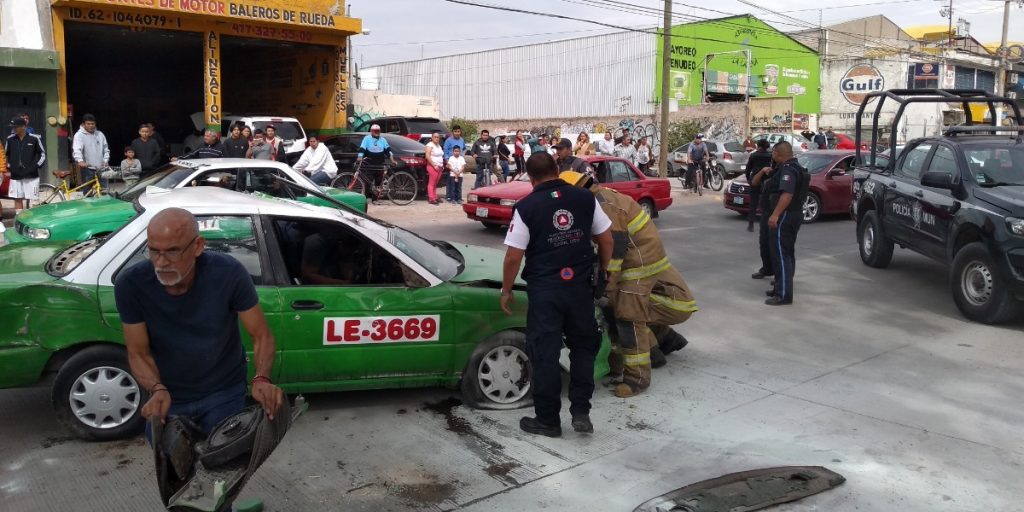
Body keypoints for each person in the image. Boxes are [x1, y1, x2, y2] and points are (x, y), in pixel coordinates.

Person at [115, 207, 284, 454]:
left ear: (197, 246)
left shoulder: (228, 273)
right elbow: (138, 352)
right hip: (169, 396)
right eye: (154, 251)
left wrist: (261, 378)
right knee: (171, 463)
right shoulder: (131, 284)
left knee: (225, 458)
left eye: (172, 251)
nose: (161, 263)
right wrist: (156, 388)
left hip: (223, 391)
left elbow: (261, 336)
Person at [500, 152, 613, 438]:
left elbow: (513, 257)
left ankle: (548, 421)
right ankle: (581, 412)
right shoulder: (585, 198)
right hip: (580, 289)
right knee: (583, 348)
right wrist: (604, 269)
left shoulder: (526, 207)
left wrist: (506, 290)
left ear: (530, 177)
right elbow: (606, 238)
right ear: (557, 169)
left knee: (545, 354)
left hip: (545, 292)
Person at [560, 170, 696, 397]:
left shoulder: (604, 206)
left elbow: (614, 251)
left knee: (627, 316)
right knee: (617, 306)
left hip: (637, 265)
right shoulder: (596, 200)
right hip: (641, 261)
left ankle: (637, 379)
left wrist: (604, 286)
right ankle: (664, 341)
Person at [754, 141, 808, 306]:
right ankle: (780, 286)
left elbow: (787, 194)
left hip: (786, 215)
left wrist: (775, 214)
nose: (772, 155)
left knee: (781, 255)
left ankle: (783, 294)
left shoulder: (788, 170)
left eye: (773, 152)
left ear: (777, 153)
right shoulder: (794, 167)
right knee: (786, 253)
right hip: (792, 214)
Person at [5, 117, 45, 212]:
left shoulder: (34, 138)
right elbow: (5, 154)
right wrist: (9, 166)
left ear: (23, 127)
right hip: (15, 175)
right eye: (13, 127)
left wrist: (35, 166)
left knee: (33, 200)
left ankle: (34, 219)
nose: (13, 129)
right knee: (17, 198)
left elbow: (43, 154)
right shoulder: (10, 139)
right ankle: (19, 217)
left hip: (31, 175)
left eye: (16, 127)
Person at [358, 124, 398, 203]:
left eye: (378, 131)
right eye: (375, 131)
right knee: (367, 182)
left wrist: (392, 160)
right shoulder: (367, 138)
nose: (376, 132)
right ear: (371, 131)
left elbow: (388, 151)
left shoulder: (383, 140)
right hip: (369, 164)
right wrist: (359, 157)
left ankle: (375, 199)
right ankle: (365, 199)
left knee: (378, 183)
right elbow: (362, 149)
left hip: (379, 164)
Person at [72, 113, 110, 187]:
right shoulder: (79, 135)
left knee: (105, 190)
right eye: (88, 124)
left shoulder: (100, 134)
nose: (91, 126)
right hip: (87, 168)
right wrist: (80, 161)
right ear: (83, 124)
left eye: (93, 124)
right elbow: (77, 149)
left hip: (101, 168)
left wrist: (105, 160)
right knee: (88, 190)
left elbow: (106, 149)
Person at [744, 138, 773, 233]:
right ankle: (765, 223)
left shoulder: (753, 156)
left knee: (753, 203)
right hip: (766, 180)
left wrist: (749, 179)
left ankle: (751, 224)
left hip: (755, 179)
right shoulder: (770, 156)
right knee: (766, 203)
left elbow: (748, 170)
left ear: (758, 146)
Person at [425, 131, 444, 205]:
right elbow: (427, 156)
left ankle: (435, 196)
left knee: (436, 183)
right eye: (435, 137)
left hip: (439, 167)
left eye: (438, 137)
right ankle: (431, 198)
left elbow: (440, 156)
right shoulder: (429, 145)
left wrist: (441, 165)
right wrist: (434, 165)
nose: (436, 138)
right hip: (432, 166)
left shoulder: (438, 145)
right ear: (432, 138)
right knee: (431, 183)